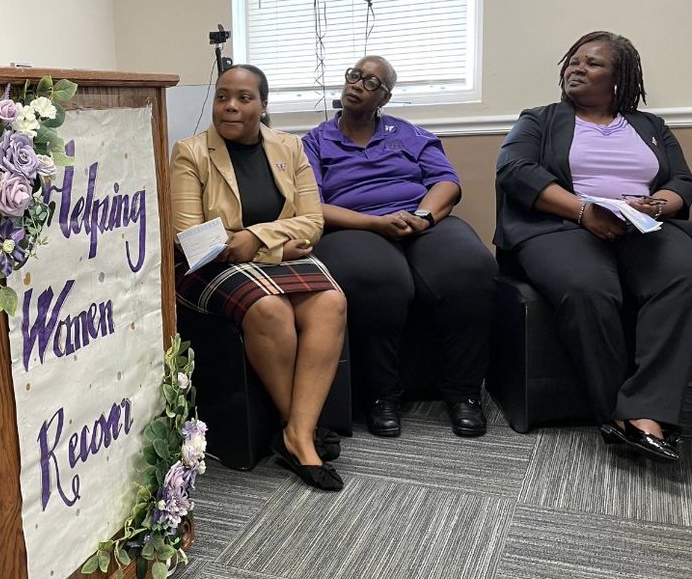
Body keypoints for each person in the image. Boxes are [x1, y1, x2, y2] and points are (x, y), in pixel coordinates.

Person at [495, 31, 692, 463]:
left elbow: (681, 182)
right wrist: (582, 212)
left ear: (619, 78)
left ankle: (646, 408)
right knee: (589, 285)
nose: (577, 67)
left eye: (592, 62)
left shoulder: (650, 126)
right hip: (560, 225)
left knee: (688, 274)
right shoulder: (540, 118)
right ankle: (619, 413)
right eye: (573, 60)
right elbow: (514, 170)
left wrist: (655, 205)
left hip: (640, 224)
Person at [171, 65, 348, 491]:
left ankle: (295, 431)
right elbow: (191, 239)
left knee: (331, 302)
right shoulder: (190, 153)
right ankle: (301, 434)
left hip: (271, 255)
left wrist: (257, 239)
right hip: (210, 265)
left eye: (244, 98)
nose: (231, 106)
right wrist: (276, 246)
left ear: (263, 106)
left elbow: (313, 221)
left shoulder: (290, 147)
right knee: (269, 309)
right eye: (222, 96)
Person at [303, 57, 497, 438]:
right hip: (353, 225)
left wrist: (424, 217)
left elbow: (447, 183)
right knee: (377, 279)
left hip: (419, 221)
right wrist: (375, 223)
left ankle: (463, 393)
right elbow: (312, 204)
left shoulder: (408, 133)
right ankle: (382, 396)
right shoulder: (315, 141)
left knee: (473, 268)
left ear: (385, 97)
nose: (357, 84)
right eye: (353, 76)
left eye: (371, 82)